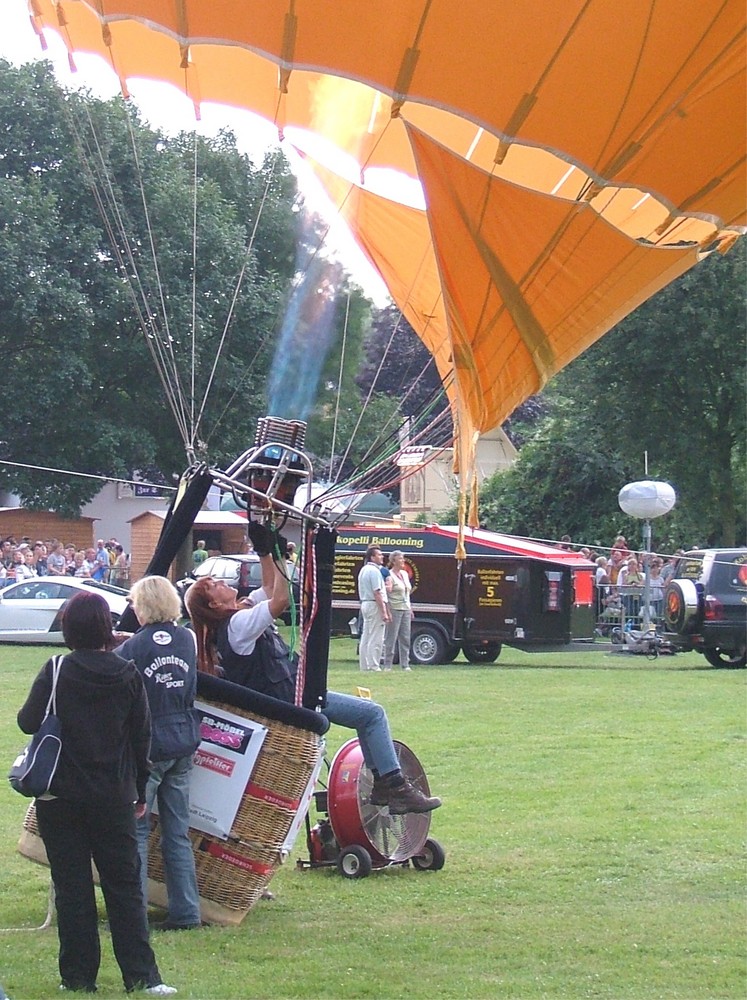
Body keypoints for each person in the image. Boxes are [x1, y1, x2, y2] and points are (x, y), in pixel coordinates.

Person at [185, 524, 441, 816]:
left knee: (368, 716)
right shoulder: (237, 626)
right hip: (292, 702)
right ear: (215, 603)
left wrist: (266, 550)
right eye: (213, 584)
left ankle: (387, 784)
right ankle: (393, 787)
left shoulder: (237, 618)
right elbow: (279, 600)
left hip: (292, 694)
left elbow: (269, 588)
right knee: (372, 714)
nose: (219, 581)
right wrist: (277, 554)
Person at [16, 591, 176, 996]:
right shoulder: (127, 674)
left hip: (61, 798)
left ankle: (77, 977)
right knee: (125, 888)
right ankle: (142, 977)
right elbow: (142, 739)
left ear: (68, 629)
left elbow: (26, 721)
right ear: (108, 629)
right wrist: (140, 791)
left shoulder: (56, 670)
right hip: (115, 796)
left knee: (72, 889)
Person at [116, 577, 203, 932]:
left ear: (143, 607)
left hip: (148, 749)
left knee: (136, 834)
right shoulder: (188, 640)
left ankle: (133, 917)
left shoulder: (131, 650)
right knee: (177, 833)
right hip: (184, 741)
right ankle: (187, 912)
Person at [357, 546, 391, 672]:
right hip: (373, 603)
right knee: (376, 636)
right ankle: (374, 665)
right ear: (372, 557)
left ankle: (364, 665)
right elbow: (377, 592)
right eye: (379, 555)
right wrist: (384, 612)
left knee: (366, 635)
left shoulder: (363, 570)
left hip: (365, 603)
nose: (382, 557)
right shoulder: (374, 571)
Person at [382, 550, 414, 671]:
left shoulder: (405, 574)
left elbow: (407, 593)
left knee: (405, 637)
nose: (403, 561)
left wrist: (410, 608)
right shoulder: (390, 575)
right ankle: (387, 665)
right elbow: (387, 594)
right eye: (400, 559)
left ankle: (405, 664)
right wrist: (387, 610)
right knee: (391, 637)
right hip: (394, 609)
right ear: (394, 561)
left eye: (403, 558)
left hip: (405, 608)